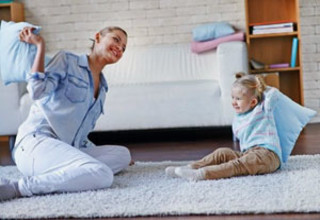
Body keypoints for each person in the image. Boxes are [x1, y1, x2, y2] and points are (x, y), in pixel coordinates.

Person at [0, 26, 132, 201]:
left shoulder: (103, 89)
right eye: (116, 39)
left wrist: (101, 154)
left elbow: (79, 135)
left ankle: (78, 171)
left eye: (123, 47)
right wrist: (40, 46)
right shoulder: (67, 61)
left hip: (66, 148)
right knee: (103, 174)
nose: (119, 48)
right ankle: (17, 187)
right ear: (98, 37)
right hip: (37, 142)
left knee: (123, 155)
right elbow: (36, 91)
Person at [165, 73, 282, 181]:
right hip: (249, 153)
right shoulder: (241, 114)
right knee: (222, 153)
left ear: (253, 102)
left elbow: (275, 94)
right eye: (233, 97)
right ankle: (190, 167)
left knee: (237, 165)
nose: (234, 102)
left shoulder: (263, 108)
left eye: (238, 99)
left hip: (268, 156)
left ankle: (202, 174)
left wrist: (259, 86)